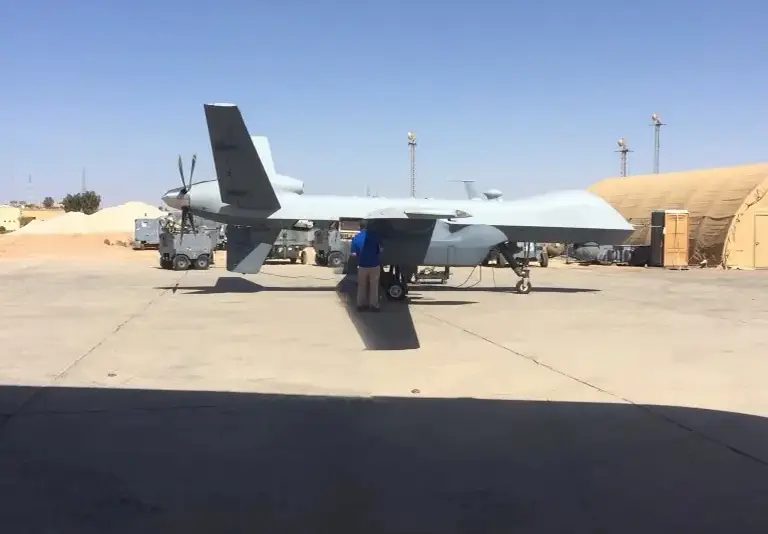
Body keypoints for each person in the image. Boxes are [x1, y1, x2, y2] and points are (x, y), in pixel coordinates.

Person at [349, 220, 381, 312]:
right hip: (375, 265)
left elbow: (353, 254)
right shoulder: (375, 236)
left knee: (362, 286)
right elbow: (379, 250)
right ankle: (374, 306)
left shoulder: (356, 238)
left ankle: (361, 305)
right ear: (368, 227)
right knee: (374, 286)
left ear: (360, 227)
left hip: (362, 266)